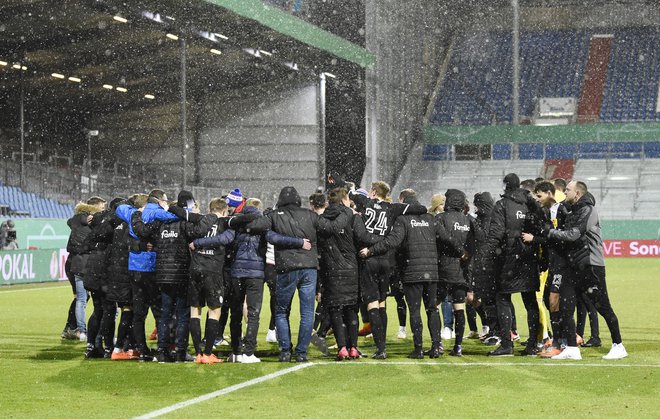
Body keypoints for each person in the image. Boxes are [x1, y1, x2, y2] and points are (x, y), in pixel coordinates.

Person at [245, 186, 351, 363]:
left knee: (280, 312)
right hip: (309, 268)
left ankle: (285, 351)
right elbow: (333, 227)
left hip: (286, 268)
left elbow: (252, 226)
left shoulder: (275, 216)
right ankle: (301, 352)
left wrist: (259, 215)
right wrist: (347, 211)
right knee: (307, 313)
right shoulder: (310, 215)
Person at [360, 189, 457, 359]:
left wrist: (371, 251)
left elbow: (393, 241)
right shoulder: (431, 219)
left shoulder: (403, 220)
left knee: (414, 311)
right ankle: (435, 347)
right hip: (431, 272)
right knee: (432, 309)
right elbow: (447, 239)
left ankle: (418, 349)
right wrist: (461, 253)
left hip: (412, 272)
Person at [543, 181, 627, 360]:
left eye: (568, 190)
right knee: (566, 306)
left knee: (603, 306)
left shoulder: (589, 210)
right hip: (574, 266)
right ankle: (572, 349)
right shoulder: (572, 210)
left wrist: (550, 233)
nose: (565, 192)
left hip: (591, 266)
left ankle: (618, 345)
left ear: (578, 193)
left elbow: (573, 234)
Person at [485, 174, 542, 357]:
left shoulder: (502, 205)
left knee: (502, 299)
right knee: (530, 301)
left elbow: (496, 233)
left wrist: (486, 255)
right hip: (529, 256)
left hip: (508, 258)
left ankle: (507, 344)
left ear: (505, 186)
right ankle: (533, 343)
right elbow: (541, 227)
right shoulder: (530, 203)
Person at [435, 189, 475, 357]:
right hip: (461, 271)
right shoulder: (468, 220)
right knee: (459, 308)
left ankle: (437, 344)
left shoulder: (440, 218)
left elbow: (441, 237)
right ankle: (458, 346)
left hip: (442, 269)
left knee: (434, 306)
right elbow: (475, 243)